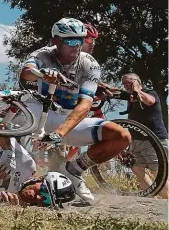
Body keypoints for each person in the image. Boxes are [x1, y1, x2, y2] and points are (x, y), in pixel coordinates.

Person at [20, 17, 131, 204]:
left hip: (67, 119)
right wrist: (43, 74)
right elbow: (26, 71)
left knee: (122, 136)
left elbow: (85, 104)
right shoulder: (44, 54)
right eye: (71, 41)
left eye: (81, 40)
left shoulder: (90, 63)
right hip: (40, 111)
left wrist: (59, 133)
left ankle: (74, 170)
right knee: (14, 107)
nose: (77, 46)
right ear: (57, 41)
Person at [121, 73, 168, 199]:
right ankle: (151, 198)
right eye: (124, 83)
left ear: (138, 81)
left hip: (154, 139)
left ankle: (167, 200)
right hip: (137, 140)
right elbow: (115, 92)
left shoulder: (149, 92)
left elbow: (150, 101)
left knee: (158, 172)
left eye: (129, 82)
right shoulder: (131, 97)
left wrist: (137, 89)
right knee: (137, 169)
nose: (126, 86)